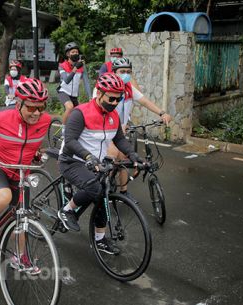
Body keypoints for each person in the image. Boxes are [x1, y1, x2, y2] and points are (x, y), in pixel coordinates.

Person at [56, 73, 145, 255]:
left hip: (95, 162)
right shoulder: (80, 113)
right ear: (99, 94)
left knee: (102, 194)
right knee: (95, 188)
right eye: (111, 98)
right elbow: (70, 140)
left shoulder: (113, 116)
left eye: (118, 99)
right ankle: (67, 210)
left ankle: (100, 239)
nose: (114, 103)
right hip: (72, 160)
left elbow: (120, 139)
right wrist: (88, 156)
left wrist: (134, 155)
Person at [0, 78, 51, 254]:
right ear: (18, 103)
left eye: (41, 108)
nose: (37, 113)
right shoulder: (0, 116)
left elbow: (32, 142)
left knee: (23, 216)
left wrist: (36, 154)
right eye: (31, 107)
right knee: (3, 197)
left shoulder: (45, 121)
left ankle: (22, 257)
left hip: (21, 172)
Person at [104, 57, 172, 200]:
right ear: (114, 72)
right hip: (106, 130)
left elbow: (145, 101)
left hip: (121, 131)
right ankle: (104, 188)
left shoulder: (129, 88)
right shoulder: (104, 88)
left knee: (122, 159)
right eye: (122, 71)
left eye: (128, 72)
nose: (126, 74)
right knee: (112, 158)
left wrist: (162, 112)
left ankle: (123, 192)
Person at [58, 42, 88, 123]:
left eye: (77, 52)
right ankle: (63, 131)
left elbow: (86, 82)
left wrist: (90, 97)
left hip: (74, 95)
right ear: (68, 54)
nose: (75, 53)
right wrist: (75, 68)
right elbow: (66, 81)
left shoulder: (81, 66)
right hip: (63, 92)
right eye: (73, 52)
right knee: (69, 107)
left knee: (79, 113)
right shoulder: (62, 66)